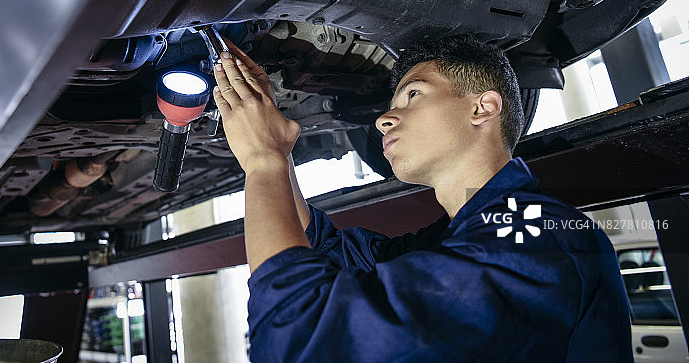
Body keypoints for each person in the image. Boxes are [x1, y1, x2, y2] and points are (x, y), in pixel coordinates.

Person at [212, 35, 633, 362]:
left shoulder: (540, 240)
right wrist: (277, 154)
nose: (382, 119)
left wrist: (263, 161)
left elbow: (305, 336)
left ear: (483, 108)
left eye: (412, 94)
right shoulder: (465, 239)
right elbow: (327, 251)